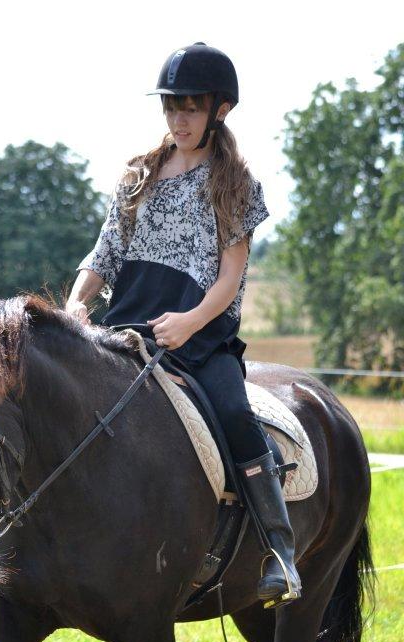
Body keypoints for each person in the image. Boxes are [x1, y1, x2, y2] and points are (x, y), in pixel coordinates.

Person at [66, 41, 301, 607]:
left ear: (220, 109)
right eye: (172, 107)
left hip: (200, 338)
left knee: (236, 414)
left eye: (191, 108)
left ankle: (278, 552)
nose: (179, 119)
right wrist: (77, 304)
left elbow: (230, 279)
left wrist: (190, 323)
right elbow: (104, 256)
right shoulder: (138, 175)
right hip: (123, 332)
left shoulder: (236, 185)